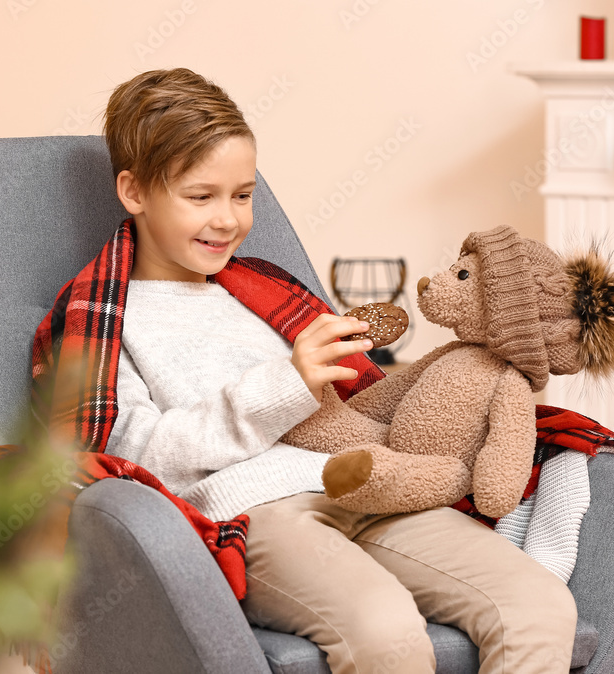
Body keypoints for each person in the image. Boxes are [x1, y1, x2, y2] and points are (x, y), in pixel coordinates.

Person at [88, 67, 577, 673]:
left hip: (367, 480)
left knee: (540, 606)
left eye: (242, 195)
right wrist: (286, 386)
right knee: (386, 631)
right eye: (200, 196)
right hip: (253, 512)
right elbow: (135, 459)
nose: (228, 219)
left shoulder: (265, 290)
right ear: (135, 193)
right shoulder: (106, 320)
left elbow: (365, 406)